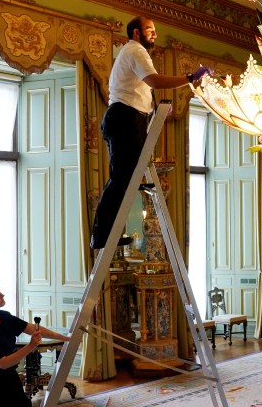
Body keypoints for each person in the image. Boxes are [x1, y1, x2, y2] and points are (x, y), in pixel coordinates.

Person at [89, 17, 211, 249]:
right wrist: (189, 78)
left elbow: (142, 90)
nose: (154, 34)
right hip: (124, 118)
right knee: (120, 180)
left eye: (155, 30)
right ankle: (101, 235)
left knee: (126, 179)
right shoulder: (136, 50)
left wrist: (156, 109)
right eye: (149, 30)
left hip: (130, 118)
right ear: (136, 33)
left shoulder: (134, 53)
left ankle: (107, 234)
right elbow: (154, 81)